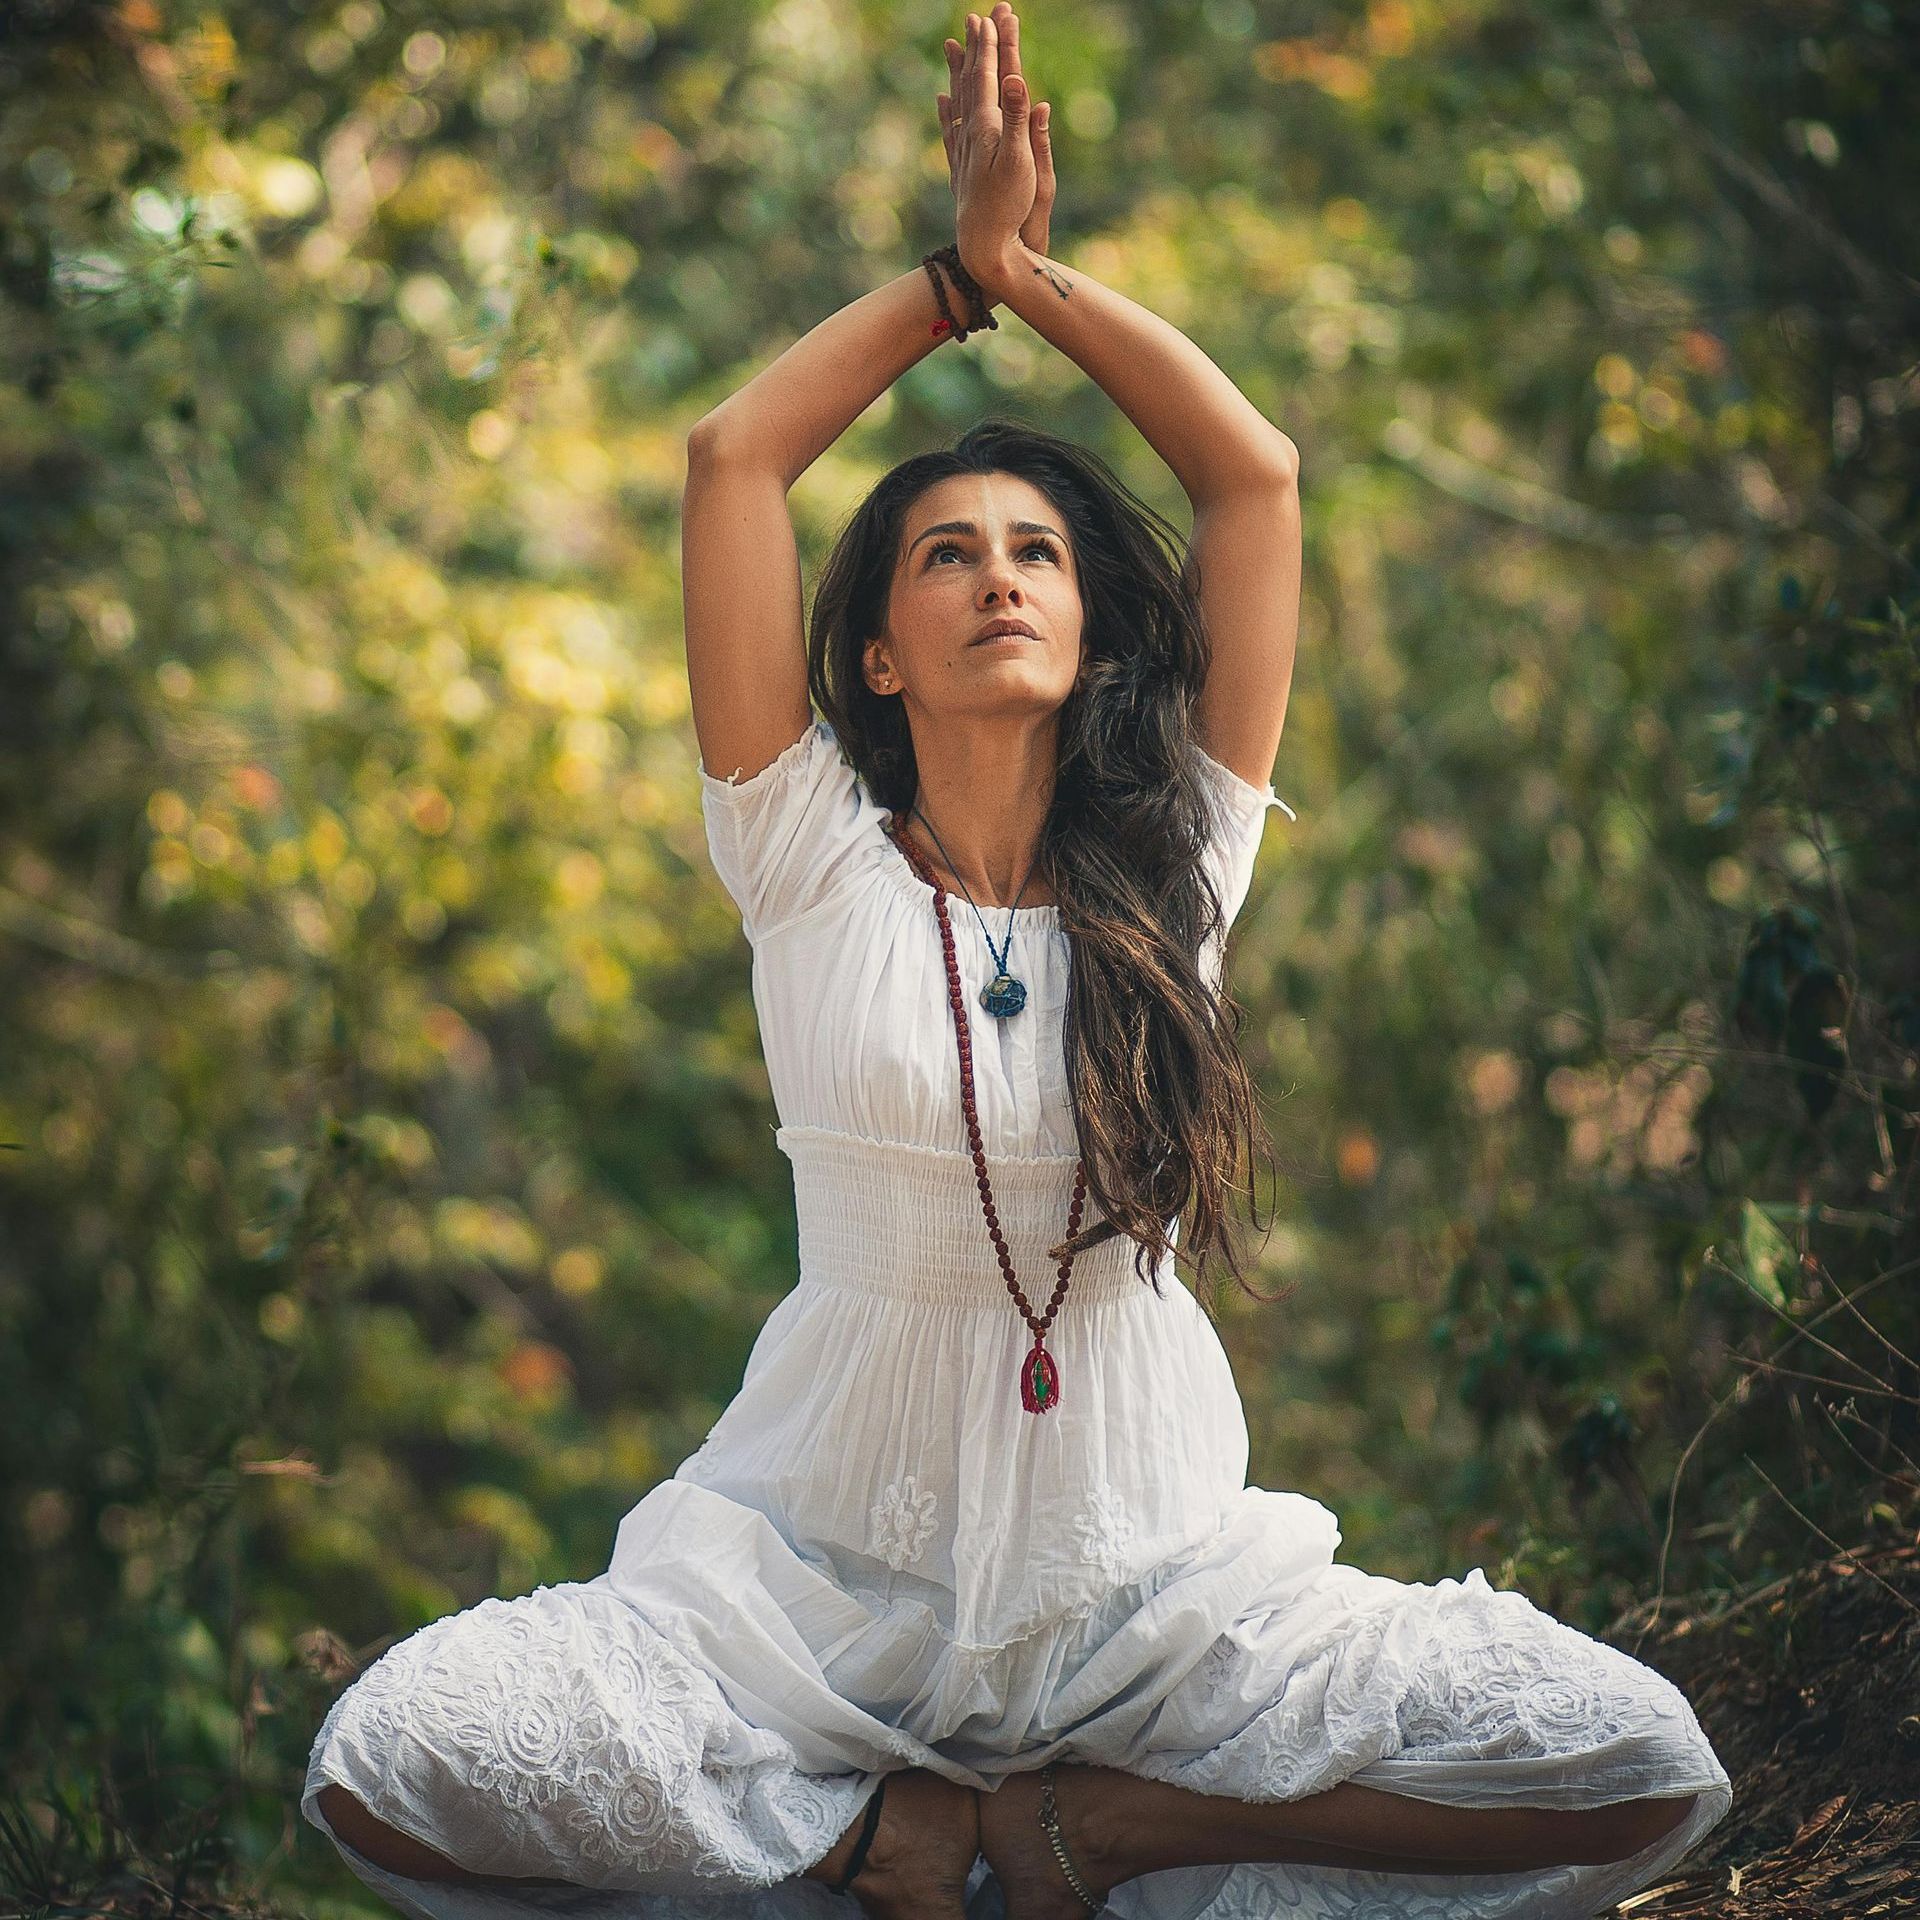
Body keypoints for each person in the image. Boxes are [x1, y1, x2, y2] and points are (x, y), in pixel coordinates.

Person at [302, 7, 1733, 1916]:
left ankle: (1104, 1831)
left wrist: (1031, 275)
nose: (998, 575)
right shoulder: (804, 851)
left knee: (1632, 1765)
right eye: (947, 556)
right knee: (397, 1763)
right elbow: (734, 460)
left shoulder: (1178, 860)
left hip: (1151, 1604)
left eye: (1038, 553)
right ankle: (874, 1837)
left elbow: (1255, 482)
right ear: (875, 653)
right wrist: (941, 288)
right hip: (811, 1597)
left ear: (1090, 625)